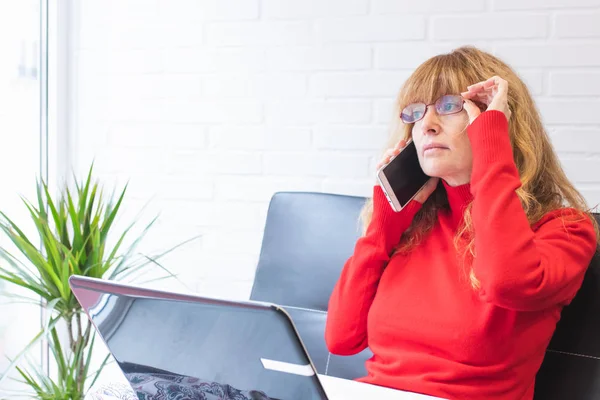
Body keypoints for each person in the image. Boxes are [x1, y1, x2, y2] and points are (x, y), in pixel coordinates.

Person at [325, 46, 599, 400]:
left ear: (496, 124)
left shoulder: (564, 229)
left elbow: (506, 282)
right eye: (416, 112)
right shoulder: (412, 227)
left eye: (450, 106)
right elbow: (341, 339)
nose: (427, 125)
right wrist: (384, 226)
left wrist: (491, 153)